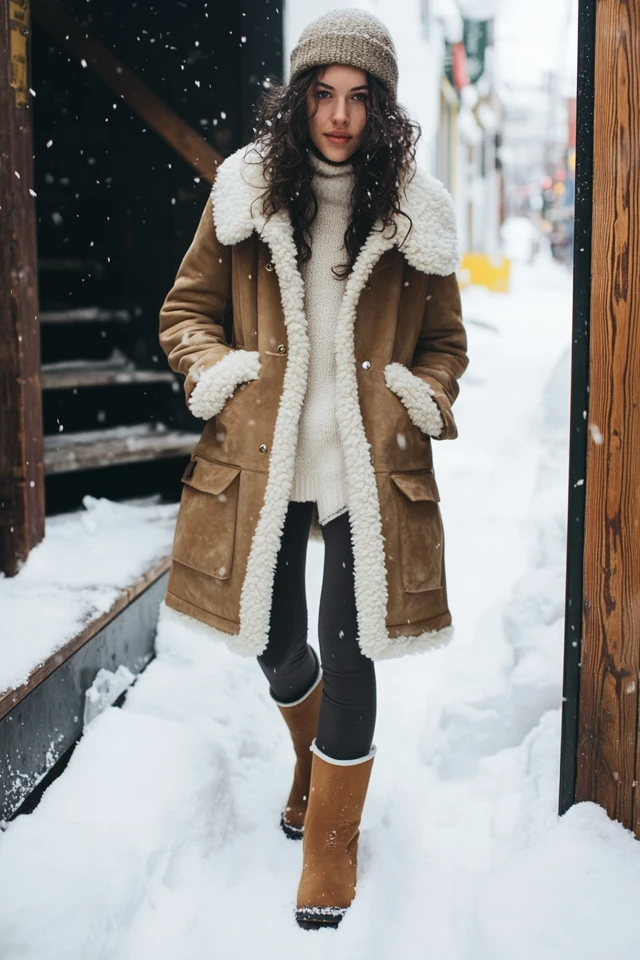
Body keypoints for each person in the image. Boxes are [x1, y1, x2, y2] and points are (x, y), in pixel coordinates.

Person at [158, 7, 468, 930]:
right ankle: (310, 757)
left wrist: (423, 393)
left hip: (365, 469)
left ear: (382, 108)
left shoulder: (417, 214)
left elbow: (448, 343)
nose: (339, 115)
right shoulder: (247, 194)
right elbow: (187, 310)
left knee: (351, 643)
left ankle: (332, 843)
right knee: (273, 638)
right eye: (323, 95)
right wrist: (218, 371)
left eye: (358, 97)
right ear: (298, 101)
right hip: (265, 458)